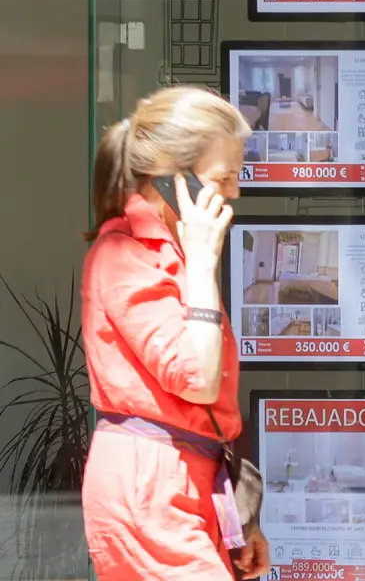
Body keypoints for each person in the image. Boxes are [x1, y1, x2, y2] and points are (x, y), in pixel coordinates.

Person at [80, 86, 270, 580]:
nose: (234, 193)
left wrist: (240, 519)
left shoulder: (171, 254)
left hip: (190, 476)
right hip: (151, 485)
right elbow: (198, 380)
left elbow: (209, 409)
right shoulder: (126, 257)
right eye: (223, 178)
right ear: (169, 180)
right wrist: (203, 266)